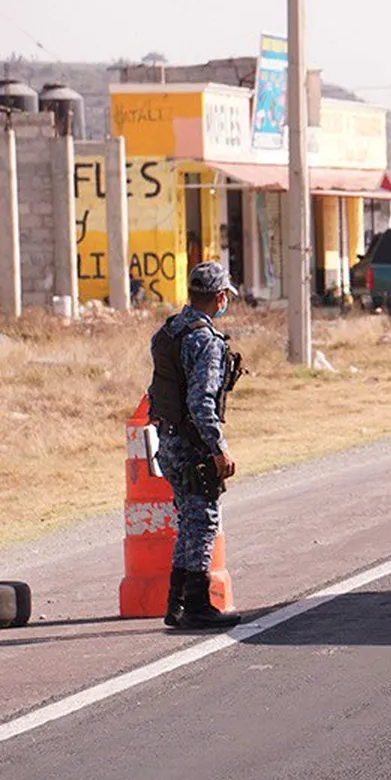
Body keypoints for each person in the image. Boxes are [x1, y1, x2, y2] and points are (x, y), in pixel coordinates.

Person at [147, 261, 244, 630]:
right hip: (190, 444)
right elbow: (201, 403)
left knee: (188, 520)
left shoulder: (171, 330)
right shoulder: (205, 341)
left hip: (168, 440)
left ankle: (176, 605)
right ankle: (198, 606)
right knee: (202, 521)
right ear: (220, 297)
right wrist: (218, 448)